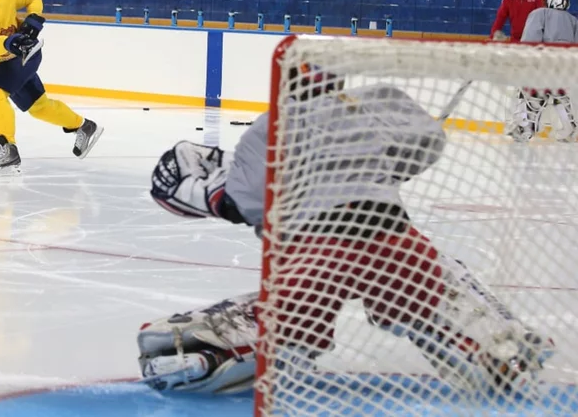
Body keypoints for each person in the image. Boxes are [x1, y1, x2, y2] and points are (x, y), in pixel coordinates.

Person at [138, 65, 554, 396]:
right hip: (396, 242)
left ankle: (212, 354)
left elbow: (247, 202)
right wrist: (377, 170)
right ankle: (492, 347)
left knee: (287, 331)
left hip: (316, 255)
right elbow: (427, 143)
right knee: (436, 277)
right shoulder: (373, 104)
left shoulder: (269, 128)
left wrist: (225, 199)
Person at [0, 0, 103, 174]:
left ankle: (8, 148)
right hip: (4, 64)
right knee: (39, 107)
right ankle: (84, 126)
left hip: (27, 55)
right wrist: (11, 42)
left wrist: (33, 19)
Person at [506, 0, 578, 142]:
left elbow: (530, 39)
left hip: (543, 65)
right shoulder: (574, 20)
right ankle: (568, 128)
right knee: (559, 95)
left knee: (527, 93)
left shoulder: (541, 13)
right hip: (563, 66)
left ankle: (525, 128)